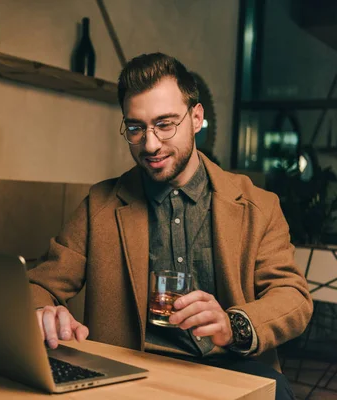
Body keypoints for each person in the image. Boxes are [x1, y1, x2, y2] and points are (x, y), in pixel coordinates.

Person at [27, 53, 312, 400]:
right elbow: (38, 285)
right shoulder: (100, 204)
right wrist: (44, 311)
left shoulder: (258, 205)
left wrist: (231, 324)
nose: (150, 144)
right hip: (132, 371)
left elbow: (293, 297)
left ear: (196, 118)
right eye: (136, 128)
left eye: (165, 124)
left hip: (228, 366)